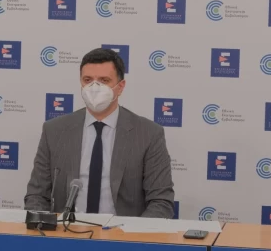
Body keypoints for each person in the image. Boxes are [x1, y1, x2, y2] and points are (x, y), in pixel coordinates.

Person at [25, 48, 174, 218]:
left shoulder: (148, 134)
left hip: (122, 232)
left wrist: (132, 233)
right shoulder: (54, 130)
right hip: (66, 230)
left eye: (104, 80)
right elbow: (36, 195)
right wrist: (43, 226)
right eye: (88, 80)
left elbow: (161, 202)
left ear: (120, 87)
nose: (94, 87)